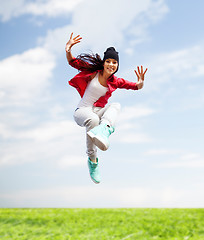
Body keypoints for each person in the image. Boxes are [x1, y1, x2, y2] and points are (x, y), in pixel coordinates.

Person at [65, 32, 147, 184]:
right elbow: (73, 62)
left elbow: (135, 86)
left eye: (114, 62)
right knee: (93, 119)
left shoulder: (116, 81)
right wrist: (68, 49)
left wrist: (140, 82)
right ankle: (93, 160)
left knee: (115, 105)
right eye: (108, 61)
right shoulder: (92, 72)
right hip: (82, 111)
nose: (111, 64)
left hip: (98, 111)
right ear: (103, 63)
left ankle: (105, 130)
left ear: (117, 66)